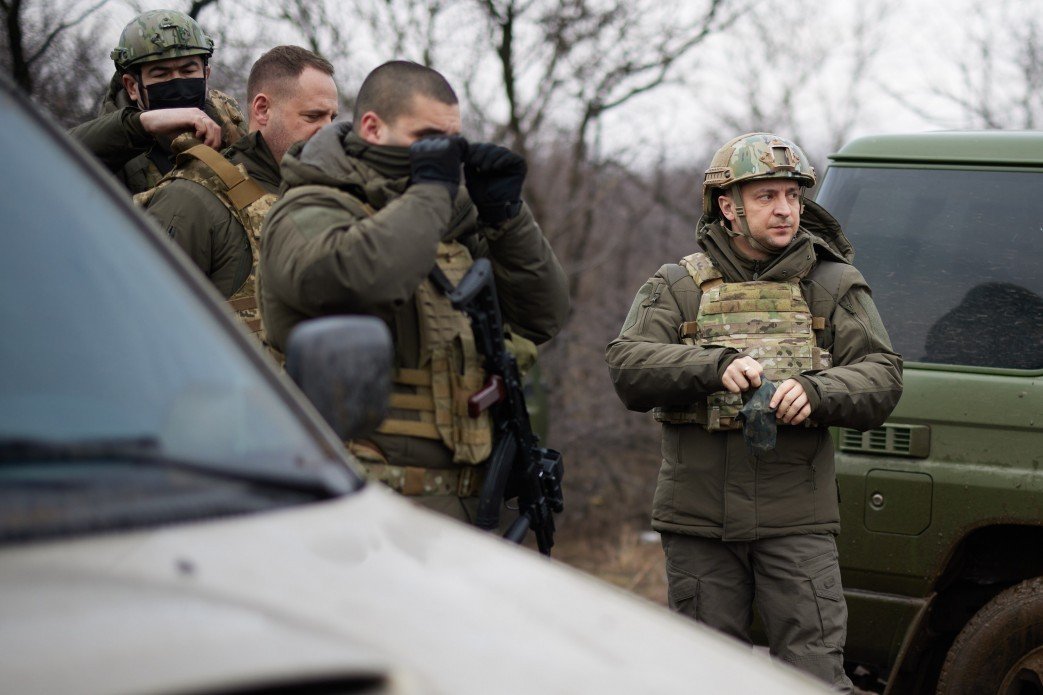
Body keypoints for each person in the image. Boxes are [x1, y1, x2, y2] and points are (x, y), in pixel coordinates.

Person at [605, 133, 903, 691]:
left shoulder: (832, 283)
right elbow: (627, 366)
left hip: (796, 523)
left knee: (812, 675)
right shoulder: (677, 285)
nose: (786, 209)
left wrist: (816, 391)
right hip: (699, 522)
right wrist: (710, 365)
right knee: (704, 677)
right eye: (767, 196)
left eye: (792, 195)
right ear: (728, 205)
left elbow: (882, 375)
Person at [259, 60, 569, 524]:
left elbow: (542, 314)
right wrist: (430, 193)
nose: (444, 155)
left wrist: (508, 216)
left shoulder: (450, 220)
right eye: (427, 139)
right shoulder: (310, 205)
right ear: (372, 127)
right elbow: (351, 281)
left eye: (452, 141)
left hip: (469, 501)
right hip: (365, 500)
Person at [136, 46, 338, 332]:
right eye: (313, 116)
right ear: (262, 109)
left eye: (333, 118)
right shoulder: (192, 198)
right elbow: (145, 324)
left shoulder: (323, 201)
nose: (328, 131)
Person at [69, 8, 246, 194]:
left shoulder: (227, 116)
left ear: (206, 75)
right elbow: (53, 159)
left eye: (188, 71)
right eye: (161, 74)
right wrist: (142, 124)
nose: (178, 82)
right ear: (131, 86)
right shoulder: (110, 145)